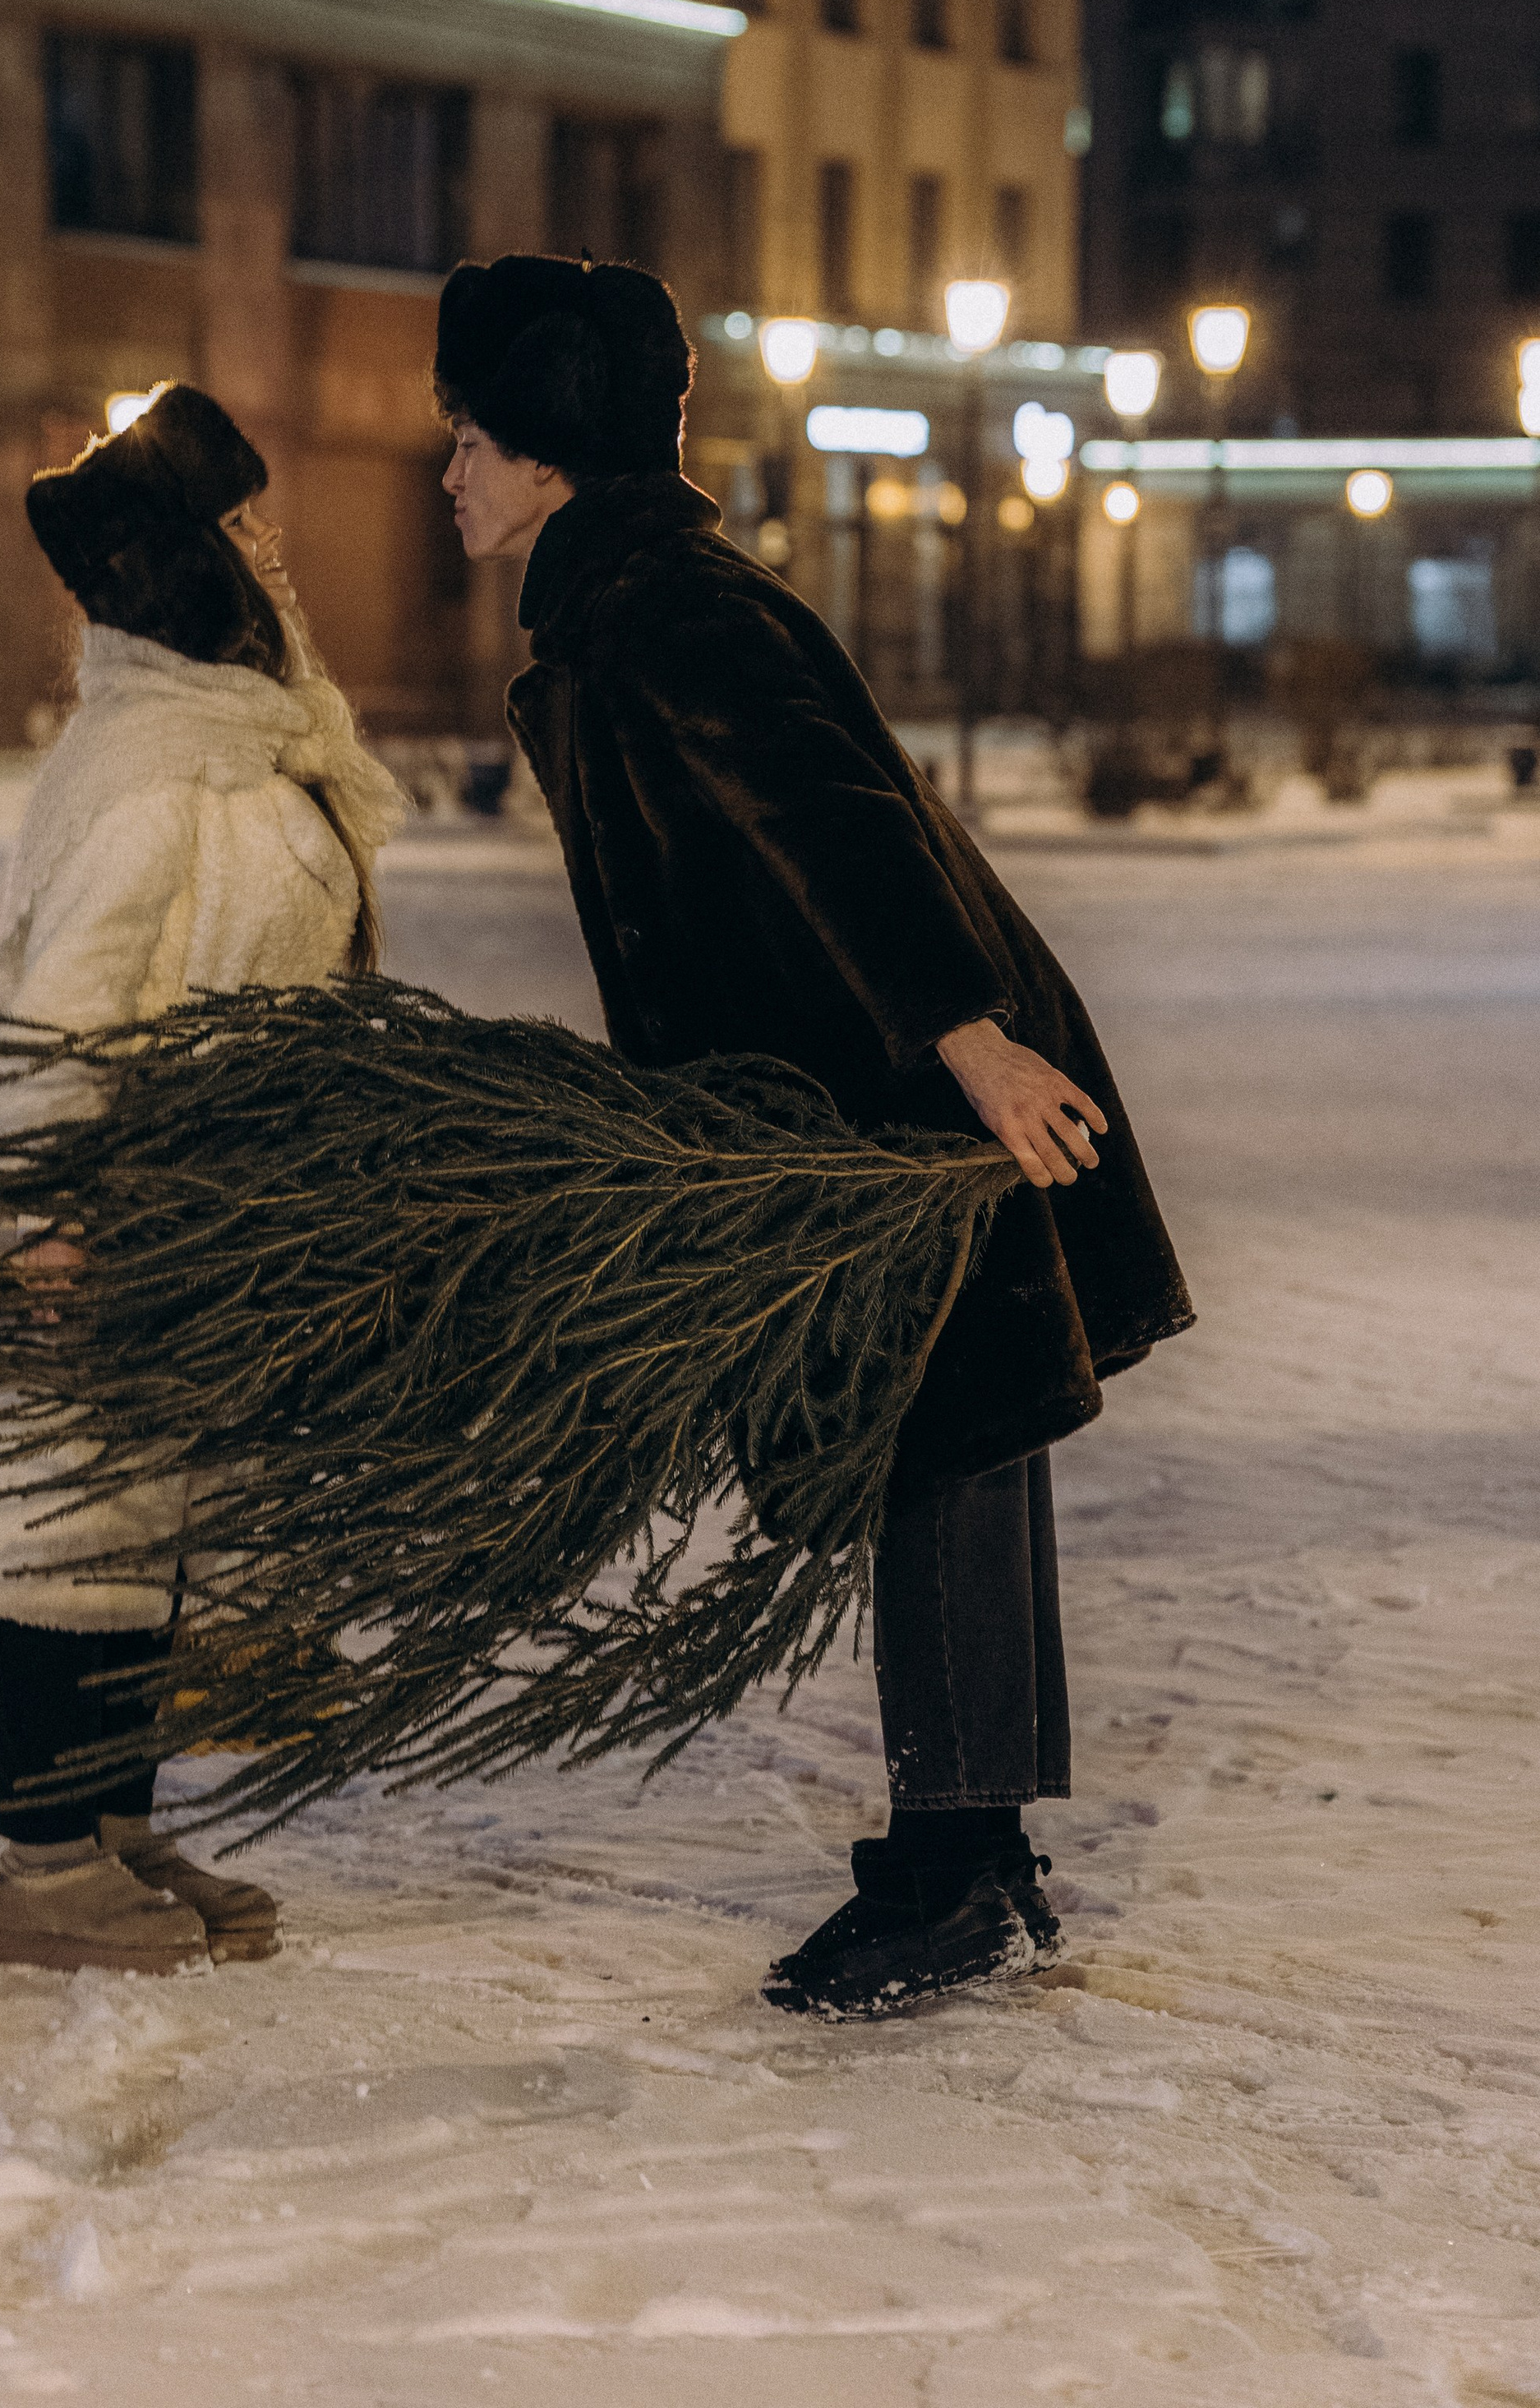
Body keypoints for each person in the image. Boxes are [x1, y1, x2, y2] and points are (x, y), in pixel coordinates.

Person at [435, 254, 1194, 2021]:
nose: (446, 471)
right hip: (849, 1083)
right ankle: (974, 1843)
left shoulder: (662, 609)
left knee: (938, 1437)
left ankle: (946, 1864)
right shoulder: (624, 598)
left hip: (899, 1079)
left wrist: (968, 1047)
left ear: (544, 451)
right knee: (956, 1439)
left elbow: (837, 825)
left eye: (466, 435)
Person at [0, 385, 408, 1977]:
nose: (274, 556)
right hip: (101, 1222)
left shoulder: (237, 748)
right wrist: (46, 1215)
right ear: (205, 565)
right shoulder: (155, 772)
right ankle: (44, 1870)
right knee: (57, 1528)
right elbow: (62, 1011)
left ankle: (110, 1829)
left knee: (138, 1535)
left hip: (199, 1221)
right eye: (248, 532)